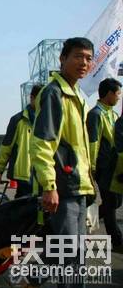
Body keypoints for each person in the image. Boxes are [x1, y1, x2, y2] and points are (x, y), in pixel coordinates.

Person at [30, 37, 95, 287]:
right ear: (63, 59)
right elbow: (43, 143)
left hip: (79, 187)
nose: (84, 62)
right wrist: (49, 185)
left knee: (74, 256)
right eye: (78, 56)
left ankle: (35, 277)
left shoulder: (77, 96)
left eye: (88, 58)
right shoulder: (54, 93)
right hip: (63, 188)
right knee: (70, 256)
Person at [87, 78, 122, 252]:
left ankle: (85, 223)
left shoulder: (114, 114)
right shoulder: (95, 115)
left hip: (116, 167)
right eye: (117, 94)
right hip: (103, 167)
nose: (118, 97)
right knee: (110, 203)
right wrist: (92, 169)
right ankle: (117, 242)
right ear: (108, 94)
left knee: (114, 203)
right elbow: (93, 143)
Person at [0, 84, 43, 198]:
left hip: (43, 172)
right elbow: (6, 146)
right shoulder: (17, 120)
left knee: (41, 208)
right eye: (41, 98)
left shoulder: (48, 120)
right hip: (24, 174)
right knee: (24, 204)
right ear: (32, 98)